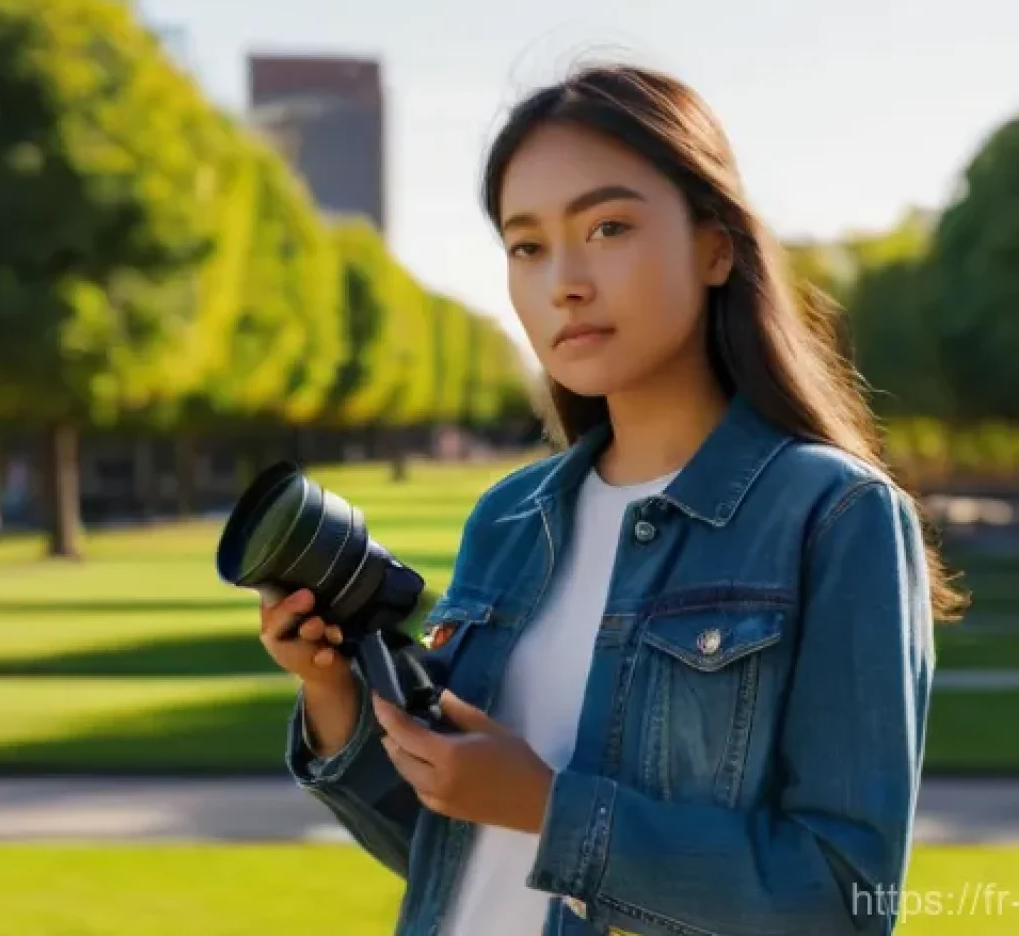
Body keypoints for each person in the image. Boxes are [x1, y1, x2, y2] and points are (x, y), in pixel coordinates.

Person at [259, 63, 970, 936]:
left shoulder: (834, 516)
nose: (564, 279)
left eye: (607, 226)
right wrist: (334, 698)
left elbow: (840, 903)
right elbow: (454, 853)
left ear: (717, 245)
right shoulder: (509, 520)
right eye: (526, 245)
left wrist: (554, 810)